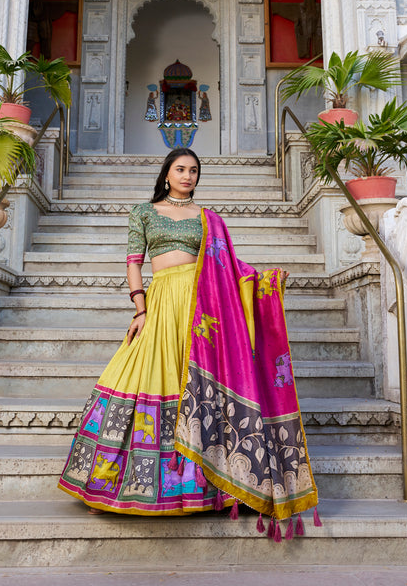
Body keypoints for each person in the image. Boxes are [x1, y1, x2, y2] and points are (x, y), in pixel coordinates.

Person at [58, 148, 319, 531]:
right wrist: (140, 308)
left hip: (202, 315)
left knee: (196, 387)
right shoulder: (144, 213)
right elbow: (133, 262)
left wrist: (264, 281)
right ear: (167, 174)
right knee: (137, 375)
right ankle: (106, 483)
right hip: (162, 304)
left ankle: (216, 487)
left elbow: (227, 267)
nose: (188, 175)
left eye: (194, 170)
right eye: (181, 169)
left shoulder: (208, 218)